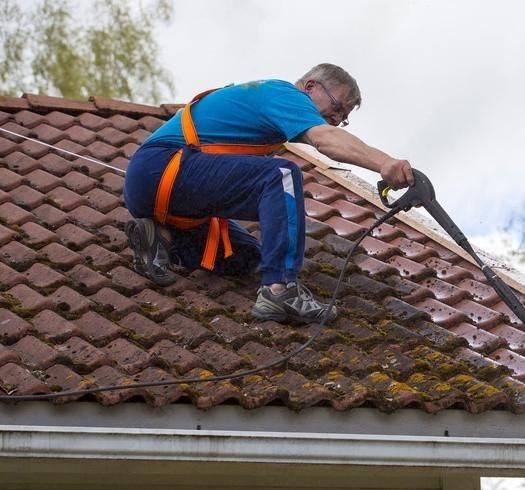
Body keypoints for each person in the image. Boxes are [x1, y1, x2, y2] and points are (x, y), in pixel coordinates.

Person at [123, 63, 413, 324]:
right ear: (311, 86)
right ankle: (280, 289)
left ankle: (160, 238)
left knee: (247, 258)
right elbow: (325, 140)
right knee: (281, 176)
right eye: (336, 108)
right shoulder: (284, 94)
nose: (335, 119)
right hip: (163, 166)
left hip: (159, 190)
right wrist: (384, 163)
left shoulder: (263, 121)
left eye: (343, 117)